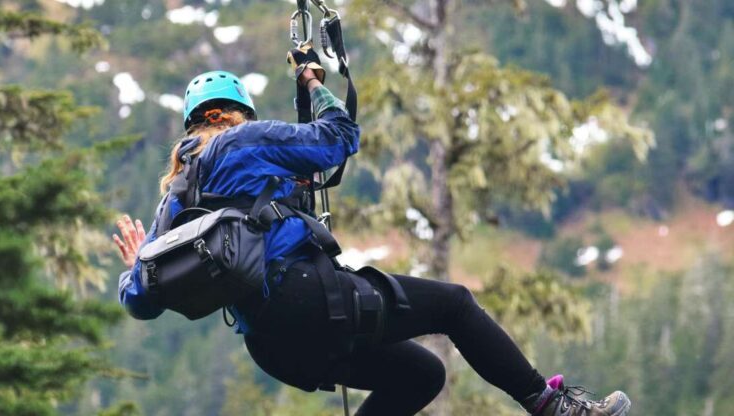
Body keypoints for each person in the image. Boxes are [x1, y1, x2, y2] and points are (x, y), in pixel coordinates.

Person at [113, 47, 632, 416]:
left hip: (271, 346)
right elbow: (339, 137)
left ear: (191, 123)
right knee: (454, 305)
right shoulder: (244, 140)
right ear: (237, 113)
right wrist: (317, 86)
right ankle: (552, 406)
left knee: (421, 375)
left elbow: (141, 301)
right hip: (311, 299)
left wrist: (139, 262)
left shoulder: (174, 195)